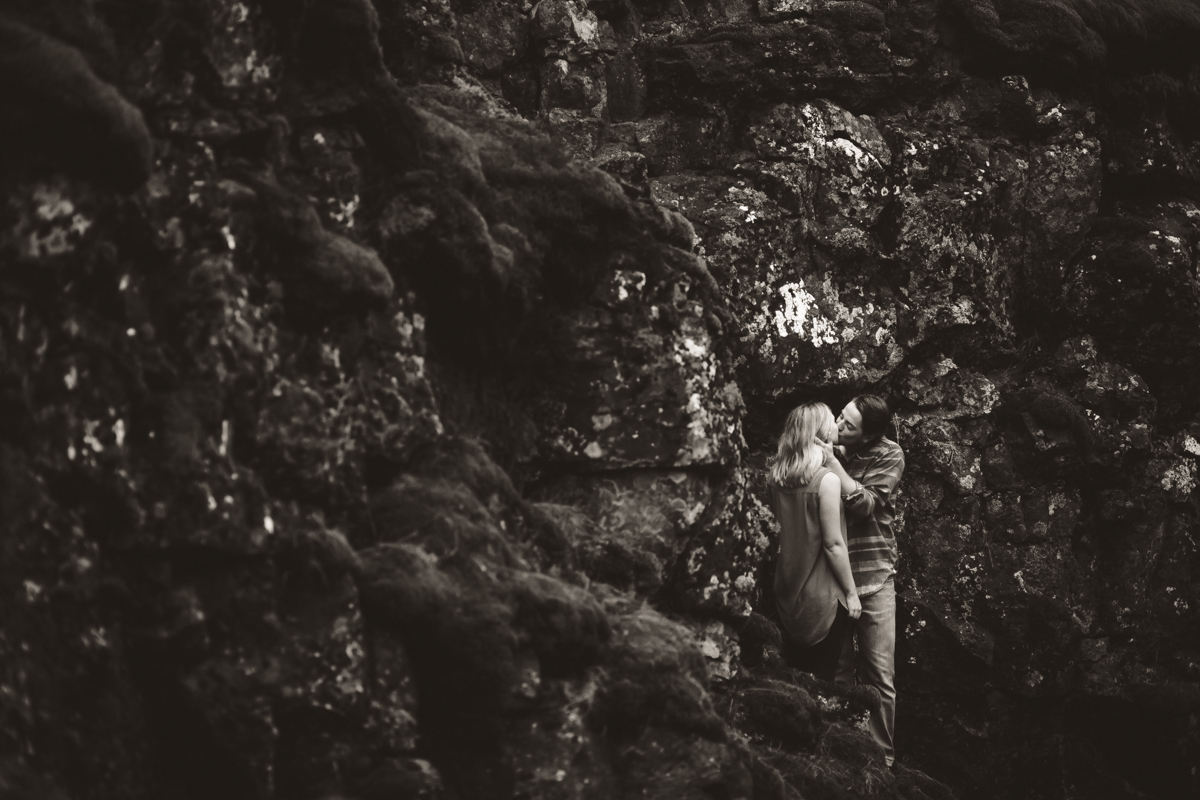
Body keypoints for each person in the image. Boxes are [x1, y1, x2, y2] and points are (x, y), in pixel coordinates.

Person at [817, 394, 905, 768]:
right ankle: (840, 754)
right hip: (832, 576)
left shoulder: (889, 454)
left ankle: (882, 762)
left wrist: (834, 462)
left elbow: (865, 505)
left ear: (868, 437)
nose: (838, 426)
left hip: (874, 577)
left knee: (879, 675)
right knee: (835, 671)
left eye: (848, 426)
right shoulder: (831, 441)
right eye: (840, 416)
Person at [767, 402, 862, 681]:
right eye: (833, 420)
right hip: (823, 599)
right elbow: (833, 544)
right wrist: (852, 593)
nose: (838, 425)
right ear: (820, 432)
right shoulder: (827, 481)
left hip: (785, 592)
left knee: (792, 681)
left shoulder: (775, 478)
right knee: (825, 680)